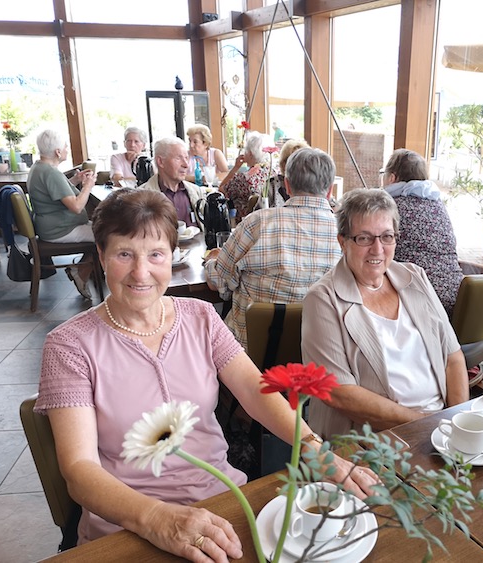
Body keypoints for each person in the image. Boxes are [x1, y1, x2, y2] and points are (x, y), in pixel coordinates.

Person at [34, 189, 376, 559]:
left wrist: (314, 448)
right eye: (124, 254)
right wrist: (157, 519)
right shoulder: (68, 345)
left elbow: (254, 390)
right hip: (127, 525)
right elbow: (79, 469)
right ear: (101, 256)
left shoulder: (200, 316)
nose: (141, 272)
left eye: (155, 254)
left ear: (172, 256)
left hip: (221, 502)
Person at [301, 189, 469, 440]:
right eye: (364, 238)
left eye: (387, 237)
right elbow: (340, 393)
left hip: (440, 427)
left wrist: (457, 422)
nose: (377, 249)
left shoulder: (415, 278)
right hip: (371, 441)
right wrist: (426, 426)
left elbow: (452, 358)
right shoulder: (323, 299)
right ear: (342, 242)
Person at [206, 148, 341, 350]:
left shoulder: (257, 223)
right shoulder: (347, 234)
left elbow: (219, 282)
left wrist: (211, 261)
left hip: (245, 357)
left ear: (287, 185)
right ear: (330, 190)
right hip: (317, 356)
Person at [382, 148, 463, 317]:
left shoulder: (390, 208)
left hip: (418, 302)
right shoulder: (438, 204)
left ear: (392, 178)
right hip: (457, 301)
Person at [27, 129, 97, 299]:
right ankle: (81, 271)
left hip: (51, 227)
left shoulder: (38, 168)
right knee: (110, 236)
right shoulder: (51, 173)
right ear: (58, 152)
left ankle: (80, 269)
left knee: (106, 231)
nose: (67, 149)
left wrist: (76, 180)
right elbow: (77, 207)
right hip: (60, 230)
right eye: (65, 147)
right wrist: (88, 186)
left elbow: (54, 192)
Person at [138, 137, 204, 227]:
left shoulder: (197, 192)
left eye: (186, 158)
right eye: (178, 158)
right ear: (160, 162)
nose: (186, 165)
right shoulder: (141, 197)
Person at [218, 131, 275, 219]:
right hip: (271, 220)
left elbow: (221, 189)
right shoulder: (274, 173)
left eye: (245, 151)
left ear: (250, 154)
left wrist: (236, 167)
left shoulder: (243, 179)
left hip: (248, 222)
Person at [271, 138, 310, 205]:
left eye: (301, 162)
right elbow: (259, 209)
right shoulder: (272, 184)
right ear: (283, 164)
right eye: (291, 161)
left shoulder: (313, 185)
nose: (296, 166)